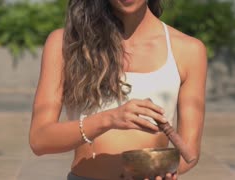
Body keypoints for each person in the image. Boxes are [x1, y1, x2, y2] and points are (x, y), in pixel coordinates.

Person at [29, 0, 207, 179]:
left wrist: (168, 172)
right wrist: (109, 119)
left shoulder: (188, 50)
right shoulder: (66, 44)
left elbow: (189, 153)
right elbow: (39, 139)